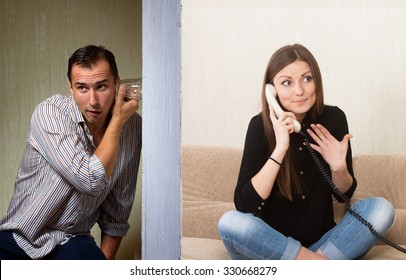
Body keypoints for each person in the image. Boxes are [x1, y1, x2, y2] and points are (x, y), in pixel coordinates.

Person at [218, 44, 394, 260]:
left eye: (307, 79)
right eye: (286, 83)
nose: (299, 90)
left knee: (381, 209)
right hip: (270, 249)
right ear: (271, 90)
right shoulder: (259, 126)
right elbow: (245, 205)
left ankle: (304, 266)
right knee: (230, 222)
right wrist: (281, 147)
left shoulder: (334, 119)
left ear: (316, 81)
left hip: (321, 244)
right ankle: (315, 267)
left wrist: (339, 168)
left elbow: (343, 196)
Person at [0, 45, 142, 260]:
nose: (93, 100)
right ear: (71, 88)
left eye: (101, 86)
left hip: (72, 241)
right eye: (82, 88)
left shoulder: (132, 127)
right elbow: (91, 180)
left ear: (117, 84)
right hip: (19, 239)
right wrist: (117, 122)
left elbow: (117, 211)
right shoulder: (50, 113)